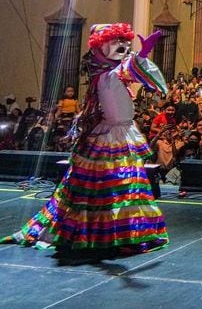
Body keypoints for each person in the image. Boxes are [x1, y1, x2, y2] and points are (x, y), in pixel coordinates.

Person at [3, 23, 169, 255]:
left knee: (124, 187)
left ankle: (121, 235)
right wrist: (140, 55)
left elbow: (134, 73)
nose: (122, 46)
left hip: (119, 132)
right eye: (115, 41)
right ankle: (102, 235)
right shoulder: (104, 73)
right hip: (109, 137)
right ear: (100, 47)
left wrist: (140, 55)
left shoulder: (112, 71)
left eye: (124, 41)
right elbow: (131, 69)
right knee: (107, 188)